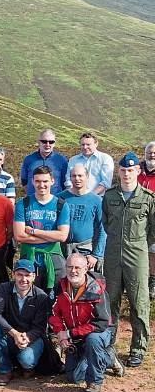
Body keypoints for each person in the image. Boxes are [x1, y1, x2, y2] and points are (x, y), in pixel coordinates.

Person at [102, 152, 155, 368]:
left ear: (138, 172)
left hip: (137, 255)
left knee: (139, 303)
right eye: (123, 170)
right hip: (113, 254)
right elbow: (106, 223)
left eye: (130, 170)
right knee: (109, 303)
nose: (126, 174)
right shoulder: (110, 196)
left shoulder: (148, 198)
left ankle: (138, 349)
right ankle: (108, 346)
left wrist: (137, 242)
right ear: (119, 171)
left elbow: (153, 230)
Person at [49, 253, 117, 392]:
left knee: (93, 340)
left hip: (100, 332)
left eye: (77, 267)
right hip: (76, 335)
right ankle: (105, 358)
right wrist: (60, 333)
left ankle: (94, 382)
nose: (73, 271)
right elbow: (54, 313)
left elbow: (101, 322)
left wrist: (69, 334)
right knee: (74, 377)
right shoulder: (60, 286)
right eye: (69, 267)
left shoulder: (96, 289)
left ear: (86, 269)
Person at [0, 259, 49, 386]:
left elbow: (40, 327)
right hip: (10, 333)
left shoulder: (41, 297)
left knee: (26, 360)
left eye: (27, 275)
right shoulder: (4, 288)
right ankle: (5, 370)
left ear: (33, 276)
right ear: (13, 274)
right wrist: (13, 333)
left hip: (31, 337)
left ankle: (27, 367)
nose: (23, 279)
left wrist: (27, 337)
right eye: (20, 275)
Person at [14, 166, 70, 295]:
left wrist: (34, 231)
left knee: (55, 295)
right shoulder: (23, 204)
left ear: (52, 181)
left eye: (45, 181)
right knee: (30, 296)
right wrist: (51, 236)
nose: (41, 185)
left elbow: (62, 236)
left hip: (53, 257)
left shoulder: (60, 205)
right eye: (38, 181)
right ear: (32, 181)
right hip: (30, 257)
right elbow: (19, 235)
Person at [57, 165, 106, 273]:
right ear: (70, 177)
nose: (77, 179)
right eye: (74, 176)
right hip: (62, 249)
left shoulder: (96, 200)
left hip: (85, 250)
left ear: (87, 176)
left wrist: (96, 254)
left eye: (80, 175)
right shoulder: (60, 198)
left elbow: (102, 229)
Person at [20, 129, 69, 196]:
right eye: (44, 141)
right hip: (33, 202)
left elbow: (64, 182)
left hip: (55, 202)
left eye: (51, 142)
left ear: (54, 143)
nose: (47, 144)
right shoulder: (28, 159)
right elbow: (24, 181)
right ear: (39, 142)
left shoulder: (62, 160)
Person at [143, 142, 155, 299]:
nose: (152, 155)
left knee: (153, 250)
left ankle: (152, 280)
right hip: (138, 216)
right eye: (149, 152)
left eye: (154, 153)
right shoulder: (138, 170)